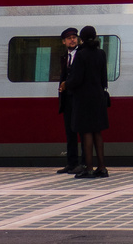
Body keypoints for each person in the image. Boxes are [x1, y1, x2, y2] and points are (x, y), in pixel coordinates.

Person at [64, 25, 110, 178]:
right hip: (98, 97)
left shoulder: (81, 55)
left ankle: (89, 168)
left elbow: (76, 79)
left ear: (81, 39)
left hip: (84, 98)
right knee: (97, 132)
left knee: (86, 132)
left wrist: (66, 84)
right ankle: (102, 167)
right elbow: (104, 78)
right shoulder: (101, 54)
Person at [52, 27, 81, 174]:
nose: (72, 40)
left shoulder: (82, 55)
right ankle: (71, 162)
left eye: (74, 37)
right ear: (64, 41)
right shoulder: (65, 57)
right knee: (69, 132)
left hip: (79, 99)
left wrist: (67, 85)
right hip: (67, 100)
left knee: (81, 131)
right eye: (69, 38)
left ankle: (82, 163)